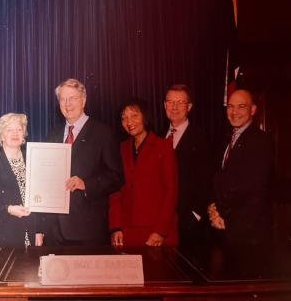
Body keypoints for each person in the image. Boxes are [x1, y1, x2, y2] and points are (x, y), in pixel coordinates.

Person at [43, 78, 125, 246]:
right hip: (55, 231)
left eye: (73, 98)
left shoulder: (104, 133)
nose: (68, 103)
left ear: (84, 100)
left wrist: (85, 183)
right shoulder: (53, 134)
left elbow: (117, 177)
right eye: (63, 99)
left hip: (88, 230)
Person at [208, 89, 274, 247]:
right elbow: (219, 179)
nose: (234, 112)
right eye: (230, 106)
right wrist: (211, 205)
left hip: (249, 233)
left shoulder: (261, 141)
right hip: (226, 227)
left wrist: (218, 208)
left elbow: (248, 184)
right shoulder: (226, 141)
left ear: (253, 109)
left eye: (241, 106)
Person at [110, 97, 178, 247]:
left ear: (145, 117)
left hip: (158, 231)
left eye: (134, 116)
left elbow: (170, 191)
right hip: (127, 232)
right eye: (124, 118)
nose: (129, 122)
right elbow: (115, 191)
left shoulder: (164, 146)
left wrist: (160, 231)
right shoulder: (120, 149)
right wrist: (115, 227)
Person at [0, 113, 42, 246]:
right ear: (0, 135)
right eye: (9, 129)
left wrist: (39, 230)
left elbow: (41, 198)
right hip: (1, 236)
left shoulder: (34, 159)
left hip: (31, 234)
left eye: (19, 129)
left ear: (24, 134)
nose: (15, 133)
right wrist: (9, 209)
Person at [162, 84, 214, 246]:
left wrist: (196, 215)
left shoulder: (200, 139)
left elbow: (207, 182)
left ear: (189, 106)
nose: (174, 107)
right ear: (165, 105)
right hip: (161, 220)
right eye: (171, 102)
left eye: (180, 102)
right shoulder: (158, 137)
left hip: (188, 223)